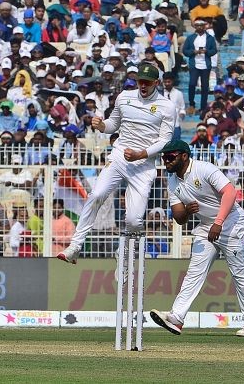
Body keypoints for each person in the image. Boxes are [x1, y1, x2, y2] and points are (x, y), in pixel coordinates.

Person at [57, 63, 176, 263]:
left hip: (144, 163)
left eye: (147, 82)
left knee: (134, 220)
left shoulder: (167, 106)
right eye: (140, 82)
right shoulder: (124, 97)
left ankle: (123, 251)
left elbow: (165, 141)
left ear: (157, 82)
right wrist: (102, 125)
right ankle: (75, 246)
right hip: (120, 155)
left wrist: (141, 154)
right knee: (96, 194)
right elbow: (114, 124)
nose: (143, 86)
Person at [149, 140, 244, 337]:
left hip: (231, 223)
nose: (166, 161)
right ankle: (177, 318)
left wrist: (218, 223)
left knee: (239, 274)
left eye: (170, 157)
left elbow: (230, 192)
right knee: (194, 272)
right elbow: (178, 218)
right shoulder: (172, 181)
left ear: (184, 156)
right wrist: (186, 211)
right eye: (164, 157)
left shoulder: (204, 169)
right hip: (205, 227)